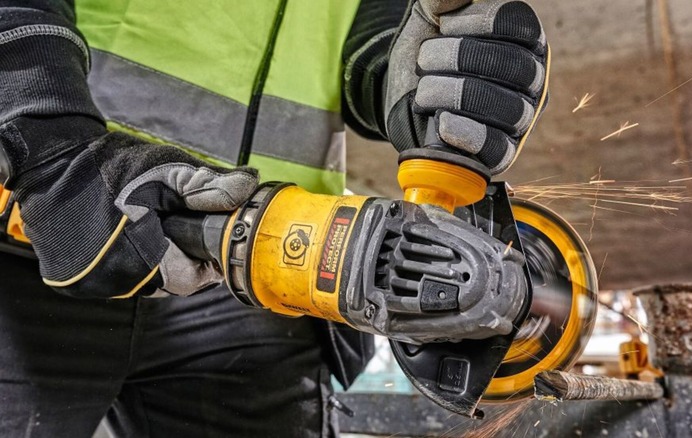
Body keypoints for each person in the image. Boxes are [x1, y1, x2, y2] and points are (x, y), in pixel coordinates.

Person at [0, 0, 549, 436]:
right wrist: (46, 141)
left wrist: (415, 78)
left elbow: (367, 43)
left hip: (260, 266)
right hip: (53, 222)